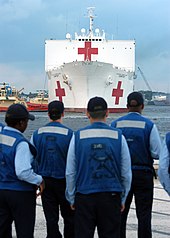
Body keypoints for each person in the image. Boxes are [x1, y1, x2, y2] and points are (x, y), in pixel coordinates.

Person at [66, 96, 132, 238]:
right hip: (111, 196)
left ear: (87, 113)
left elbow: (70, 172)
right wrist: (123, 198)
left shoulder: (77, 137)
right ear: (107, 113)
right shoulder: (119, 137)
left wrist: (71, 198)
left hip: (84, 196)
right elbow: (126, 172)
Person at [111, 91, 161, 238]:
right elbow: (157, 152)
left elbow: (111, 150)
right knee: (144, 215)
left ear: (126, 106)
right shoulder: (149, 125)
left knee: (120, 214)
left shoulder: (115, 124)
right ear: (142, 106)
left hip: (121, 175)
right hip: (143, 175)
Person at [31, 100, 75, 238]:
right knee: (69, 217)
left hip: (45, 182)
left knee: (51, 218)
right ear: (63, 113)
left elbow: (31, 160)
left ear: (48, 113)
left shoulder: (36, 134)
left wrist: (36, 181)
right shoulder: (70, 135)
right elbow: (74, 161)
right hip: (65, 181)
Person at [0, 103, 44, 238]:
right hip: (20, 194)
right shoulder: (21, 143)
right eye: (26, 121)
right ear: (20, 123)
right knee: (24, 231)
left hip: (1, 191)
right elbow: (22, 172)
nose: (26, 124)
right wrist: (39, 179)